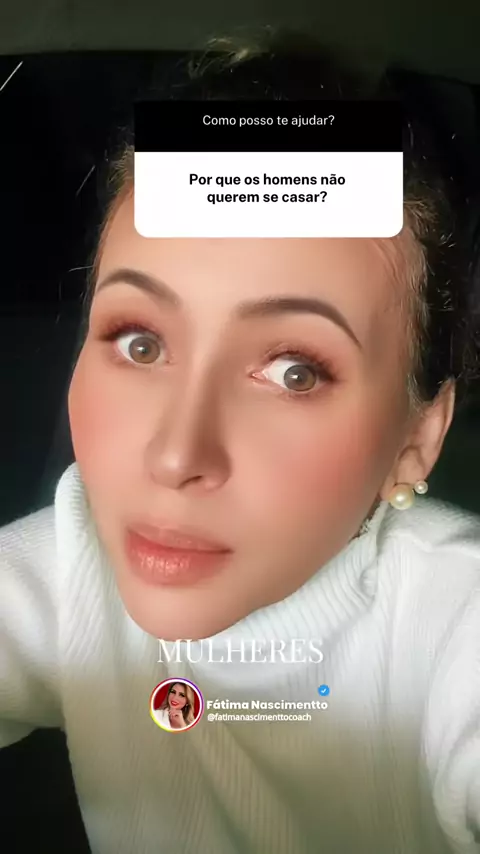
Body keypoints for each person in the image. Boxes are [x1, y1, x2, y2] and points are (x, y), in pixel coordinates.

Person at [1, 31, 480, 854]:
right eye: (140, 343)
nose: (175, 456)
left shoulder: (455, 621)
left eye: (295, 372)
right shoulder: (71, 562)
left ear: (417, 438)